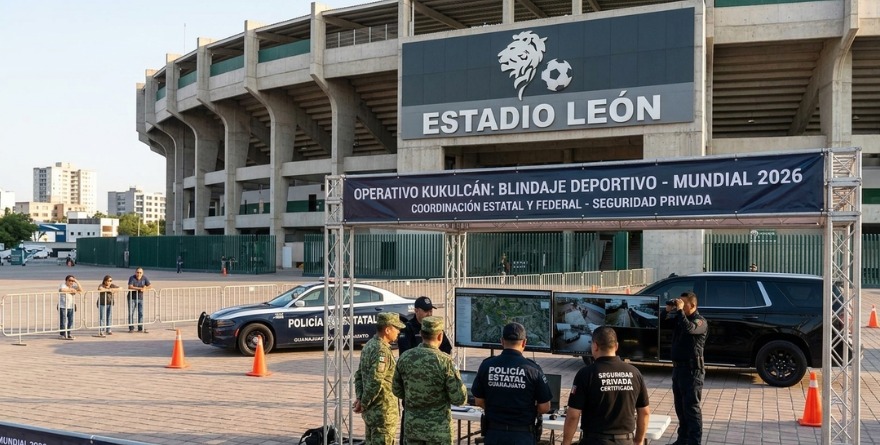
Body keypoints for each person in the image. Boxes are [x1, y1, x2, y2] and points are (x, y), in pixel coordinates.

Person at [561, 326, 650, 445]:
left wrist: (566, 443)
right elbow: (644, 412)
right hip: (625, 440)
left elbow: (573, 415)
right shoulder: (635, 373)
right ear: (616, 346)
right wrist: (638, 441)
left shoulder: (586, 374)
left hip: (594, 441)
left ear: (595, 346)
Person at [471, 322, 552, 445]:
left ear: (502, 341)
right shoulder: (533, 369)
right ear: (524, 342)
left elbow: (478, 401)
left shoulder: (486, 365)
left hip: (494, 434)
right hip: (522, 435)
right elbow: (545, 407)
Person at [392, 316, 467, 445]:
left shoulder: (405, 357)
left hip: (412, 428)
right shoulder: (445, 362)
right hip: (438, 431)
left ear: (421, 334)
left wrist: (415, 395)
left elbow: (397, 390)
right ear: (440, 336)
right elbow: (459, 398)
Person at [354, 312, 407, 445]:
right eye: (396, 328)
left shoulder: (369, 345)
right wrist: (363, 403)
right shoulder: (381, 351)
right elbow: (375, 380)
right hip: (382, 412)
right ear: (387, 329)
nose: (399, 331)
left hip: (372, 413)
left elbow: (359, 375)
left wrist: (360, 398)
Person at [668, 291, 708, 445]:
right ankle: (682, 440)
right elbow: (663, 324)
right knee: (680, 408)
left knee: (691, 409)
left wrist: (679, 311)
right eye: (680, 303)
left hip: (693, 372)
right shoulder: (680, 318)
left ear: (693, 305)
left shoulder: (700, 322)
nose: (681, 306)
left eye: (684, 304)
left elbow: (689, 329)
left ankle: (693, 441)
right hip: (678, 370)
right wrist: (668, 311)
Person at [127, 268, 152, 333]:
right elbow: (130, 286)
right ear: (135, 272)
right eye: (137, 272)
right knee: (131, 313)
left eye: (140, 272)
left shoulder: (144, 278)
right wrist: (140, 288)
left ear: (142, 273)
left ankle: (140, 327)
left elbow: (150, 286)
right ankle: (131, 328)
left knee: (141, 313)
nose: (139, 274)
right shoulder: (132, 278)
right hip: (132, 298)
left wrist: (145, 288)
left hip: (140, 298)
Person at [58, 275, 82, 340]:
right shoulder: (63, 285)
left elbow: (80, 289)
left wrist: (76, 281)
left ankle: (68, 333)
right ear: (66, 280)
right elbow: (61, 290)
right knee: (63, 321)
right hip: (63, 306)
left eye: (72, 281)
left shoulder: (73, 286)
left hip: (71, 306)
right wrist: (71, 290)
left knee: (70, 321)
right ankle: (62, 334)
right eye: (70, 280)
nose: (71, 282)